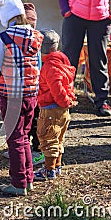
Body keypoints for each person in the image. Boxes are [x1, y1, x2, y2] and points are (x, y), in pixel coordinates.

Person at [0, 0, 43, 196]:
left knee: (14, 139)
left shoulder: (5, 38)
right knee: (25, 138)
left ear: (6, 18)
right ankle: (28, 179)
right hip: (31, 95)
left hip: (11, 96)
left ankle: (18, 183)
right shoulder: (36, 36)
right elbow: (36, 65)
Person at [58, 0, 111, 116]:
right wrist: (66, 11)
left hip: (100, 20)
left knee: (98, 60)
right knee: (69, 60)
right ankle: (65, 99)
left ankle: (102, 101)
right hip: (75, 17)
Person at [1, 2, 44, 166]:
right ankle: (20, 150)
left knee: (34, 123)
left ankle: (38, 152)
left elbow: (38, 66)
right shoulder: (23, 39)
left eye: (34, 21)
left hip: (34, 89)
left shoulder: (35, 40)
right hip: (27, 89)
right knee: (22, 126)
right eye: (29, 21)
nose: (31, 24)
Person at [33, 29, 77, 181]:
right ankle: (57, 166)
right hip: (62, 110)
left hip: (51, 108)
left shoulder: (49, 67)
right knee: (58, 138)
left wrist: (64, 101)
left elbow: (57, 89)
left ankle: (49, 170)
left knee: (47, 138)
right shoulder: (62, 61)